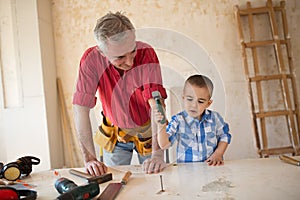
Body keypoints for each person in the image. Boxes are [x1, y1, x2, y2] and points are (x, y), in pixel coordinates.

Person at [73, 11, 167, 176]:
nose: (130, 62)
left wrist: (158, 154)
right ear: (102, 53)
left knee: (154, 180)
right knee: (114, 182)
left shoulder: (146, 53)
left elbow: (157, 104)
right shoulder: (91, 60)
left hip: (148, 132)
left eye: (132, 51)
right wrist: (89, 159)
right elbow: (81, 109)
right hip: (115, 135)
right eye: (120, 57)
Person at [154, 74, 231, 165]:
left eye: (200, 101)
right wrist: (161, 126)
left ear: (208, 103)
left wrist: (218, 154)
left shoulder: (215, 118)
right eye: (190, 99)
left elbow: (224, 136)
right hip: (187, 172)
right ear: (183, 98)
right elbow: (164, 145)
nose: (194, 105)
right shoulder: (178, 120)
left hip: (211, 168)